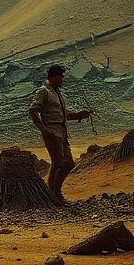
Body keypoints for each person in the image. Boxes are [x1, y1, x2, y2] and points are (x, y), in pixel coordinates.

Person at [28, 64, 92, 204]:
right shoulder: (44, 91)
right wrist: (43, 129)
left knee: (68, 163)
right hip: (52, 131)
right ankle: (54, 196)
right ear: (55, 77)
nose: (63, 79)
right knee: (57, 163)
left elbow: (62, 115)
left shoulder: (57, 92)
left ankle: (55, 194)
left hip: (61, 132)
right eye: (61, 76)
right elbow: (33, 111)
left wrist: (78, 115)